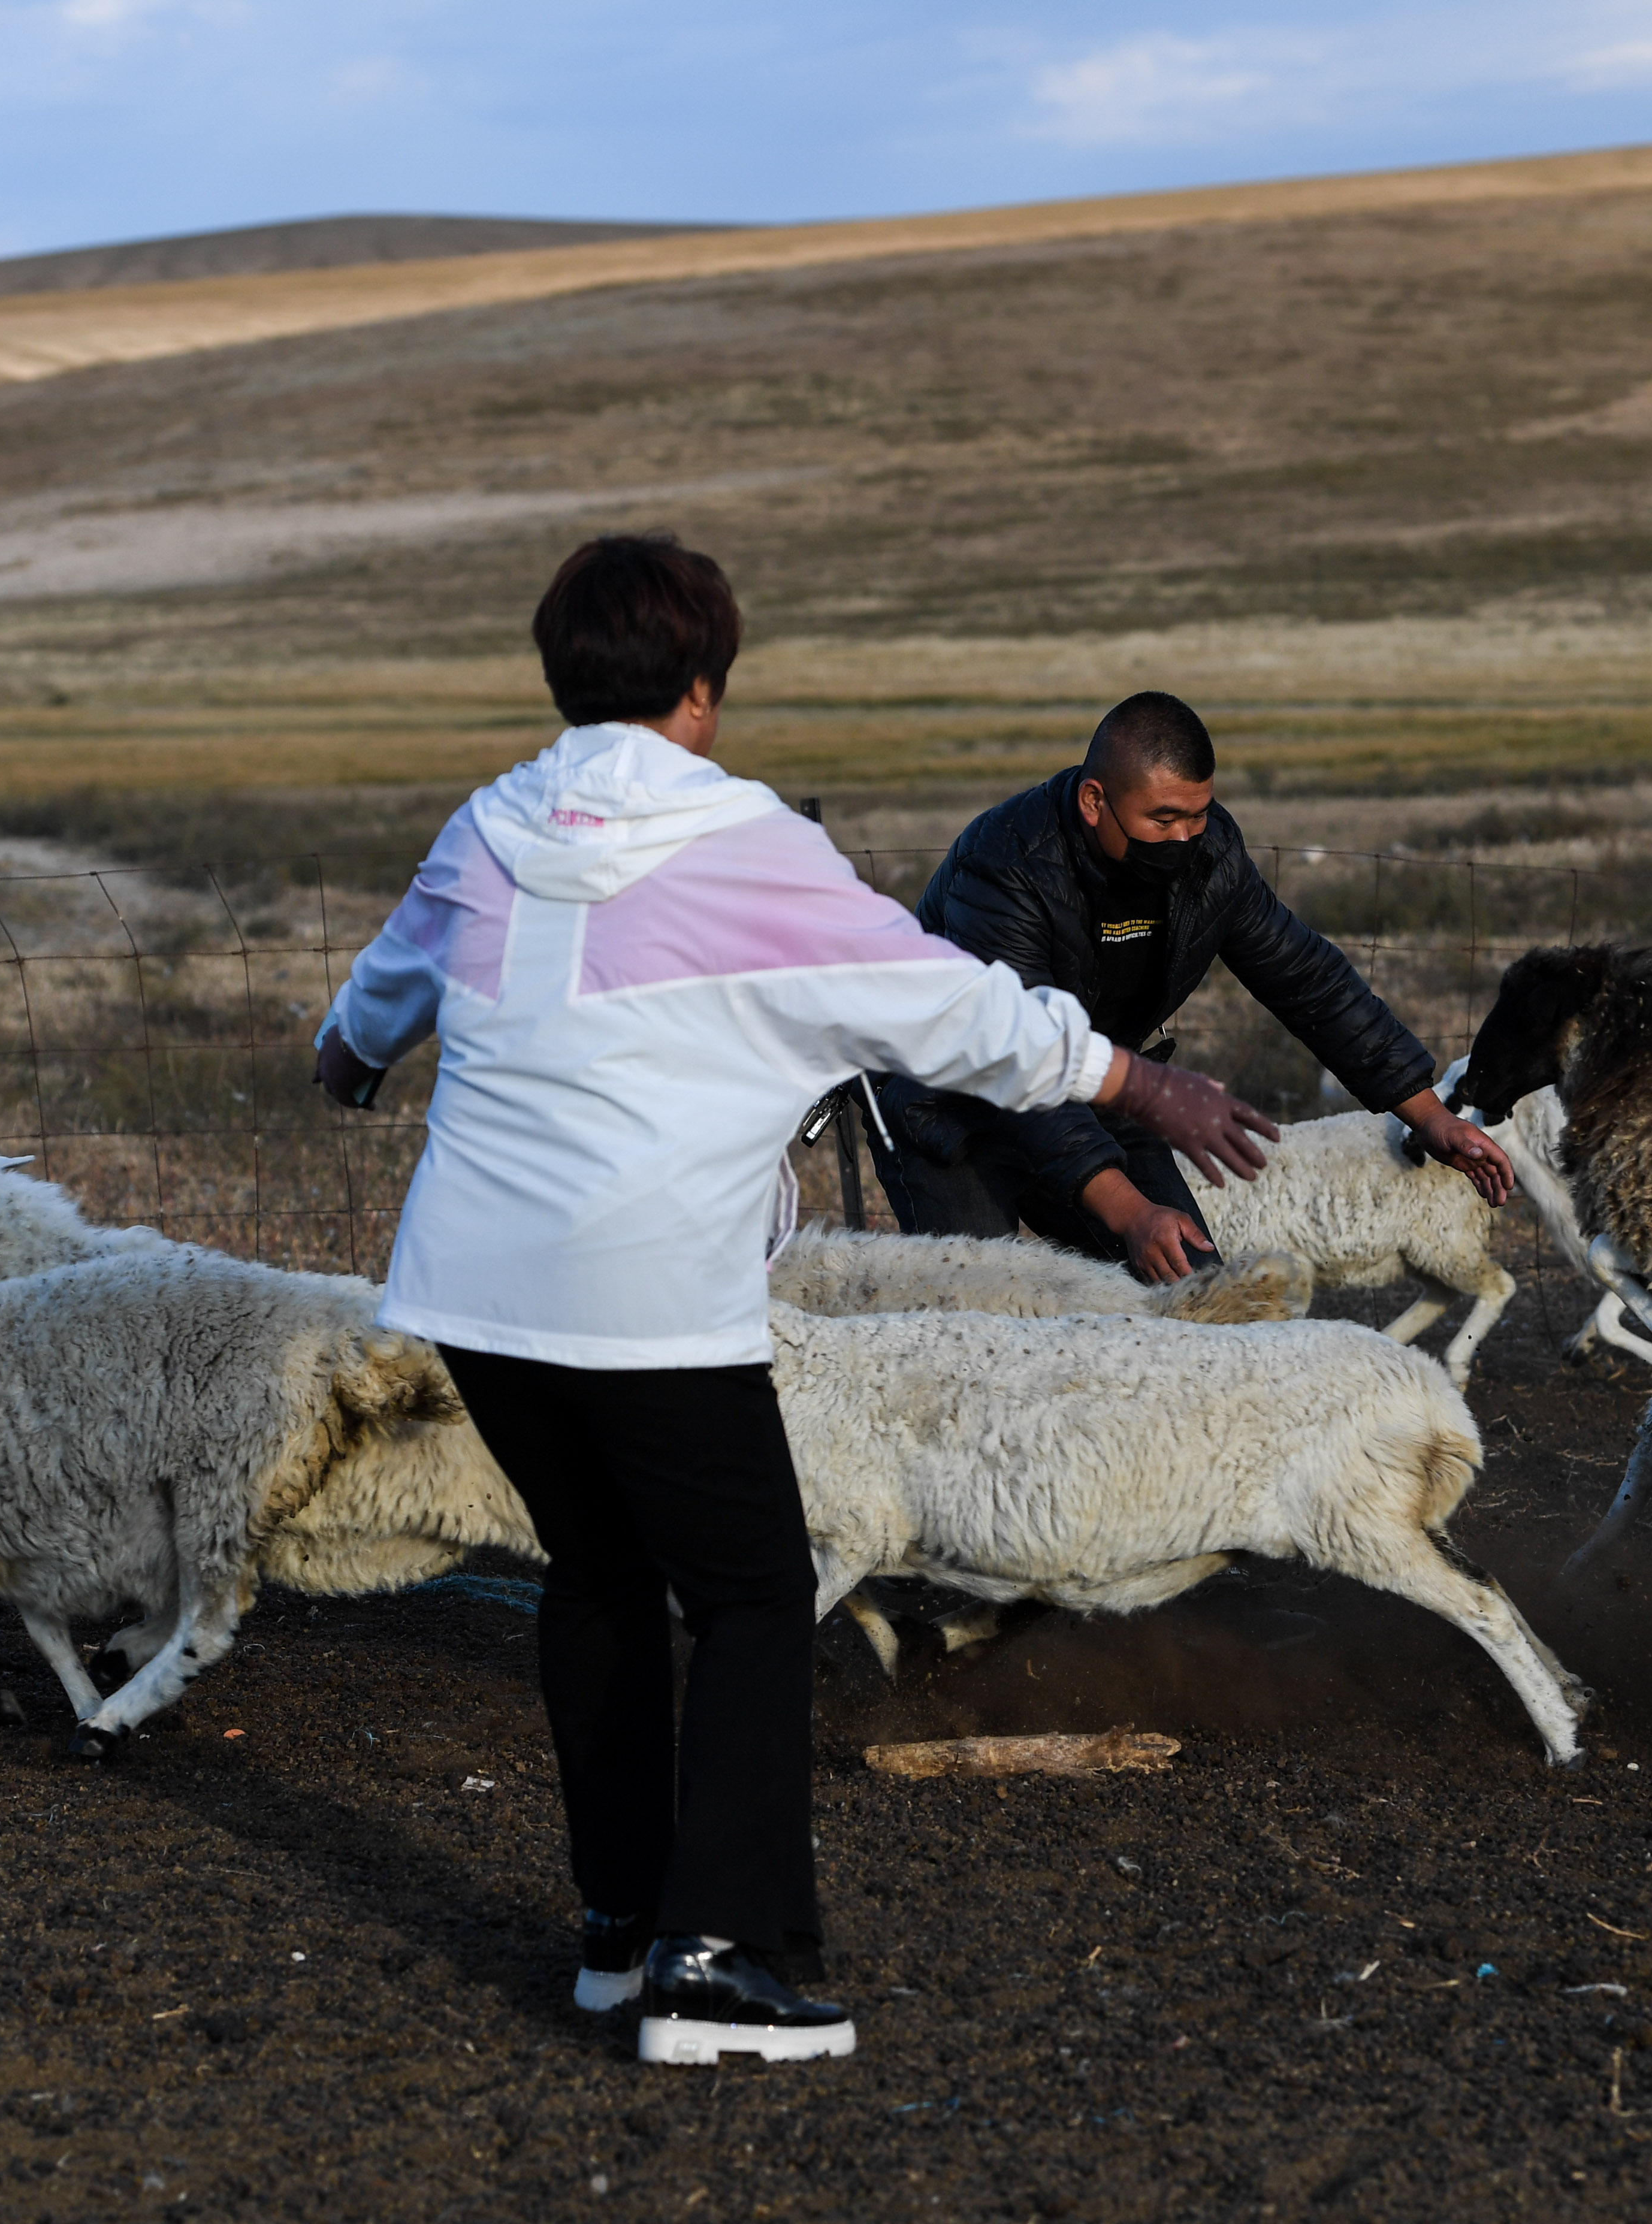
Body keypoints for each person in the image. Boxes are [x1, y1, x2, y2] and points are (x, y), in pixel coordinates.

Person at [310, 536, 1278, 2067]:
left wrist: (352, 1057)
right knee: (756, 1596)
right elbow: (950, 1007)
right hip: (637, 1298)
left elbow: (372, 1003)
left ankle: (620, 1934)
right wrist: (1135, 1075)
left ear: (562, 678)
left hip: (475, 1295)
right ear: (701, 693)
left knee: (599, 1575)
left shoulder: (489, 824)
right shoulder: (743, 841)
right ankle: (721, 1963)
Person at [875, 691, 1513, 1279]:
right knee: (984, 1328)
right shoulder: (1003, 869)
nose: (1183, 839)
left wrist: (1428, 1114)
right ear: (1094, 801)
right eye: (1163, 819)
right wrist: (1128, 1213)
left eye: (1198, 815)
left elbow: (1305, 977)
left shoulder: (1211, 858)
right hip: (952, 1109)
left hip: (1098, 1085)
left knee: (1195, 1299)